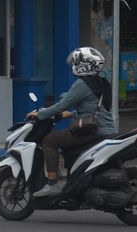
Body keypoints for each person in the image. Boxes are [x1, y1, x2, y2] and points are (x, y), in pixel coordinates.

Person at [26, 47, 117, 198]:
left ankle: (52, 184)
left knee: (49, 141)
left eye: (76, 62)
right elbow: (97, 109)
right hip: (106, 129)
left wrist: (39, 114)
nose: (73, 65)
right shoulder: (103, 82)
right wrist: (73, 114)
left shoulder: (83, 84)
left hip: (93, 130)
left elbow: (61, 105)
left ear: (84, 65)